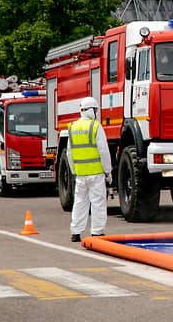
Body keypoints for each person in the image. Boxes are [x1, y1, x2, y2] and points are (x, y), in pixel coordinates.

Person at [68, 96, 112, 242]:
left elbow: (69, 153)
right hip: (96, 173)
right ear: (91, 110)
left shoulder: (72, 127)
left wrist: (74, 170)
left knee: (80, 202)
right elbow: (103, 151)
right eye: (96, 110)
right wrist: (108, 171)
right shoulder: (95, 126)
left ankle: (76, 232)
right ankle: (97, 232)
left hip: (80, 174)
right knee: (98, 202)